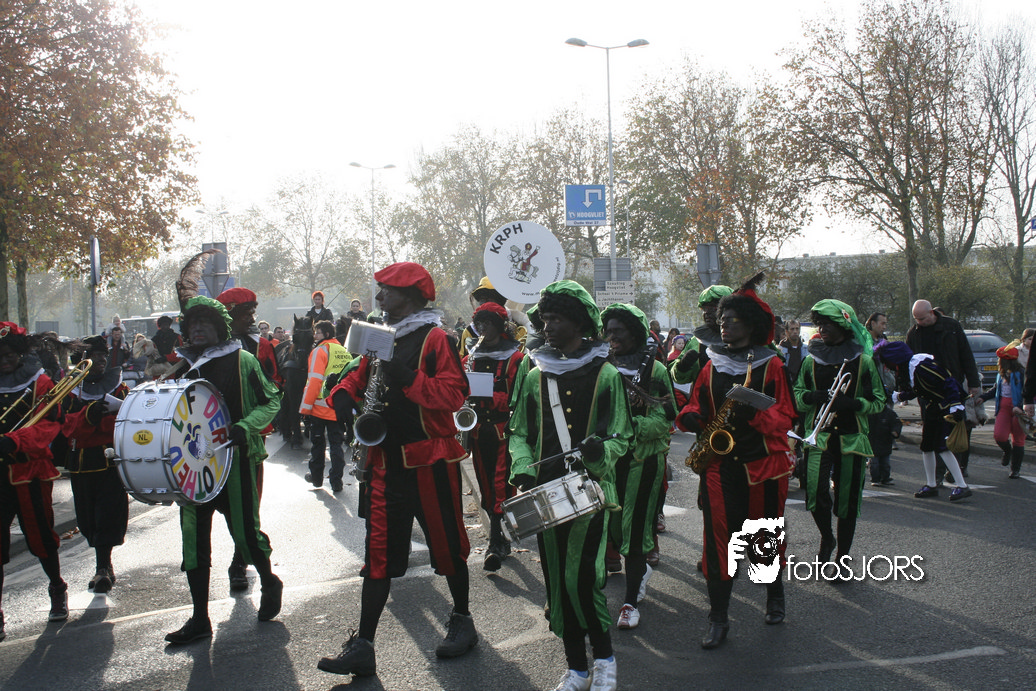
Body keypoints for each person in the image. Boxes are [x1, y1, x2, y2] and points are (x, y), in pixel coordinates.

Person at [318, 262, 477, 676]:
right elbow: (357, 375)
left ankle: (463, 620)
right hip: (385, 464)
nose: (379, 297)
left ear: (409, 296)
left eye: (386, 290)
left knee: (447, 545)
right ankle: (364, 646)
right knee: (378, 555)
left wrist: (406, 376)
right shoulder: (379, 335)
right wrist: (342, 393)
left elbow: (453, 395)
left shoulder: (437, 339)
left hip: (429, 461)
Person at [508, 280, 631, 691]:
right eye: (545, 319)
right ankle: (577, 668)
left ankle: (606, 661)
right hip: (546, 495)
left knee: (582, 580)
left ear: (579, 323)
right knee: (558, 584)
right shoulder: (533, 374)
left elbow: (622, 437)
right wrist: (523, 469)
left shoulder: (607, 374)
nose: (548, 326)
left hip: (589, 492)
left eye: (557, 318)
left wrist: (600, 452)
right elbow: (519, 432)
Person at [164, 264, 283, 645]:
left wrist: (246, 425)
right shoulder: (183, 368)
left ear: (220, 328)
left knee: (245, 534)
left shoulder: (242, 359)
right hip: (194, 468)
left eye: (205, 323)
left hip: (235, 462)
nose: (198, 329)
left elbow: (272, 400)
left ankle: (269, 581)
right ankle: (200, 618)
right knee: (194, 540)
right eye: (193, 324)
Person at [674, 273, 795, 650]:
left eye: (731, 320)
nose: (723, 325)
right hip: (719, 465)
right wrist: (692, 417)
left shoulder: (772, 365)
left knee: (764, 535)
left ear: (751, 325)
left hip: (762, 465)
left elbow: (787, 416)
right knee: (718, 540)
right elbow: (694, 403)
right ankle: (718, 617)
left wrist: (755, 415)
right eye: (722, 320)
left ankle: (774, 596)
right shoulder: (711, 364)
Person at [793, 300, 885, 567]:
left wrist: (854, 404)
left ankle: (842, 557)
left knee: (847, 501)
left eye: (828, 324)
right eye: (820, 324)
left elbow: (879, 401)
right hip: (819, 436)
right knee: (814, 492)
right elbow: (797, 396)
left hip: (851, 438)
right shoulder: (810, 361)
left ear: (843, 327)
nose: (822, 329)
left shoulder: (863, 361)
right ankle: (827, 537)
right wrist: (812, 396)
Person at [601, 303, 675, 631]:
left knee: (634, 534)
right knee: (614, 530)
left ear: (634, 333)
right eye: (608, 331)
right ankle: (640, 571)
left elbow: (666, 418)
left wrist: (630, 425)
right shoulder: (602, 366)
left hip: (642, 462)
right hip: (609, 461)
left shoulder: (655, 371)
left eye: (618, 331)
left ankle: (629, 602)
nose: (611, 337)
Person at [1, 323, 70, 639]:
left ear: (19, 353)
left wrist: (14, 441)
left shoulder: (40, 382)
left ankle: (56, 587)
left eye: (10, 354)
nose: (5, 360)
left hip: (29, 470)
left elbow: (49, 426)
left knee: (40, 534)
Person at [61, 336, 131, 595]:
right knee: (88, 519)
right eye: (95, 355)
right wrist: (88, 416)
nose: (101, 359)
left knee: (108, 515)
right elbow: (66, 427)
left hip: (110, 463)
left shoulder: (119, 388)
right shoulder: (68, 391)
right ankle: (104, 564)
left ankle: (103, 567)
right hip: (81, 464)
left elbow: (126, 421)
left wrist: (95, 423)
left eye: (103, 355)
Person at [461, 301, 524, 571]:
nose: (483, 328)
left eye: (488, 323)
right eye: (480, 324)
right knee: (486, 486)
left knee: (501, 486)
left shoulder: (515, 359)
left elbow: (520, 398)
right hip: (477, 431)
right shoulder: (470, 357)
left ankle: (496, 542)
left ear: (499, 326)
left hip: (503, 431)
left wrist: (489, 395)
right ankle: (500, 537)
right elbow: (458, 388)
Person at [874, 340, 973, 501]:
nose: (888, 367)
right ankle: (931, 484)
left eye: (888, 363)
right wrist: (899, 396)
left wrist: (956, 405)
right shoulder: (914, 369)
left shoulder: (923, 367)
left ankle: (962, 486)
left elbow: (948, 382)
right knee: (927, 446)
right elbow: (919, 390)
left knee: (942, 447)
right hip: (934, 409)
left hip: (945, 409)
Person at [906, 300, 980, 480]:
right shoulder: (914, 333)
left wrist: (973, 382)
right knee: (932, 432)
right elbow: (908, 362)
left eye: (922, 319)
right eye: (916, 319)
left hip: (952, 386)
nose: (919, 322)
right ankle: (937, 474)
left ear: (931, 313)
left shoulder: (951, 327)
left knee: (954, 428)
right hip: (928, 391)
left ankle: (956, 470)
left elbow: (965, 354)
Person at [301, 320, 349, 492]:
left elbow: (314, 381)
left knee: (318, 444)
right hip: (339, 406)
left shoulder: (320, 350)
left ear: (326, 334)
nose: (315, 336)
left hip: (320, 407)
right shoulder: (343, 351)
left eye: (318, 332)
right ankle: (336, 481)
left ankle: (316, 478)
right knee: (337, 445)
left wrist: (305, 408)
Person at [981, 345, 1026, 478]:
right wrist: (983, 397)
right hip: (1004, 407)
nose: (998, 362)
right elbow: (996, 389)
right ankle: (1007, 451)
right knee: (999, 436)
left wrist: (1021, 406)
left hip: (1019, 410)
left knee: (1018, 439)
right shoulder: (1001, 374)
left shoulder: (1021, 373)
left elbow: (1029, 392)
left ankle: (1015, 469)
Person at [458, 277, 528, 358]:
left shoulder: (520, 325)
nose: (485, 304)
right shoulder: (470, 331)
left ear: (500, 300)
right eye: (482, 299)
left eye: (489, 299)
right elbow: (460, 359)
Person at [868, 401, 902, 486]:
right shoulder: (871, 413)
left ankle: (885, 478)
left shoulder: (889, 413)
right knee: (874, 463)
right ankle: (875, 478)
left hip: (885, 441)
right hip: (873, 442)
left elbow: (897, 423)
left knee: (885, 463)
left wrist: (895, 431)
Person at [778, 319, 808, 383]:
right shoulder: (780, 351)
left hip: (802, 384)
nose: (795, 331)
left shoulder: (806, 349)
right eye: (792, 329)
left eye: (797, 329)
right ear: (786, 331)